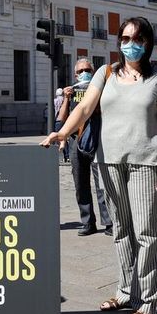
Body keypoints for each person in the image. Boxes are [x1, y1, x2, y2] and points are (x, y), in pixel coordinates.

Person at [41, 17, 157, 314]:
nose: (130, 43)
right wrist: (62, 133)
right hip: (109, 161)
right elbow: (85, 108)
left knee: (146, 233)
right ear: (119, 42)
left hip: (146, 162)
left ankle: (148, 300)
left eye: (138, 38)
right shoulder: (106, 74)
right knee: (121, 229)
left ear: (147, 44)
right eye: (125, 37)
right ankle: (125, 290)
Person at [56, 58, 113, 237]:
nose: (84, 73)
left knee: (102, 183)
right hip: (76, 141)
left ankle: (109, 221)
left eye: (87, 69)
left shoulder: (100, 88)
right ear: (75, 74)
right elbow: (61, 119)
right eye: (80, 71)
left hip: (98, 138)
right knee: (80, 183)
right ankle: (87, 222)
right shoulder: (71, 91)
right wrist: (66, 98)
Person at [53, 88, 69, 162]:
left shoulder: (55, 100)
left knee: (60, 138)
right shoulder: (65, 99)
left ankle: (65, 156)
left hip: (57, 120)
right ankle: (67, 156)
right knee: (64, 138)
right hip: (65, 120)